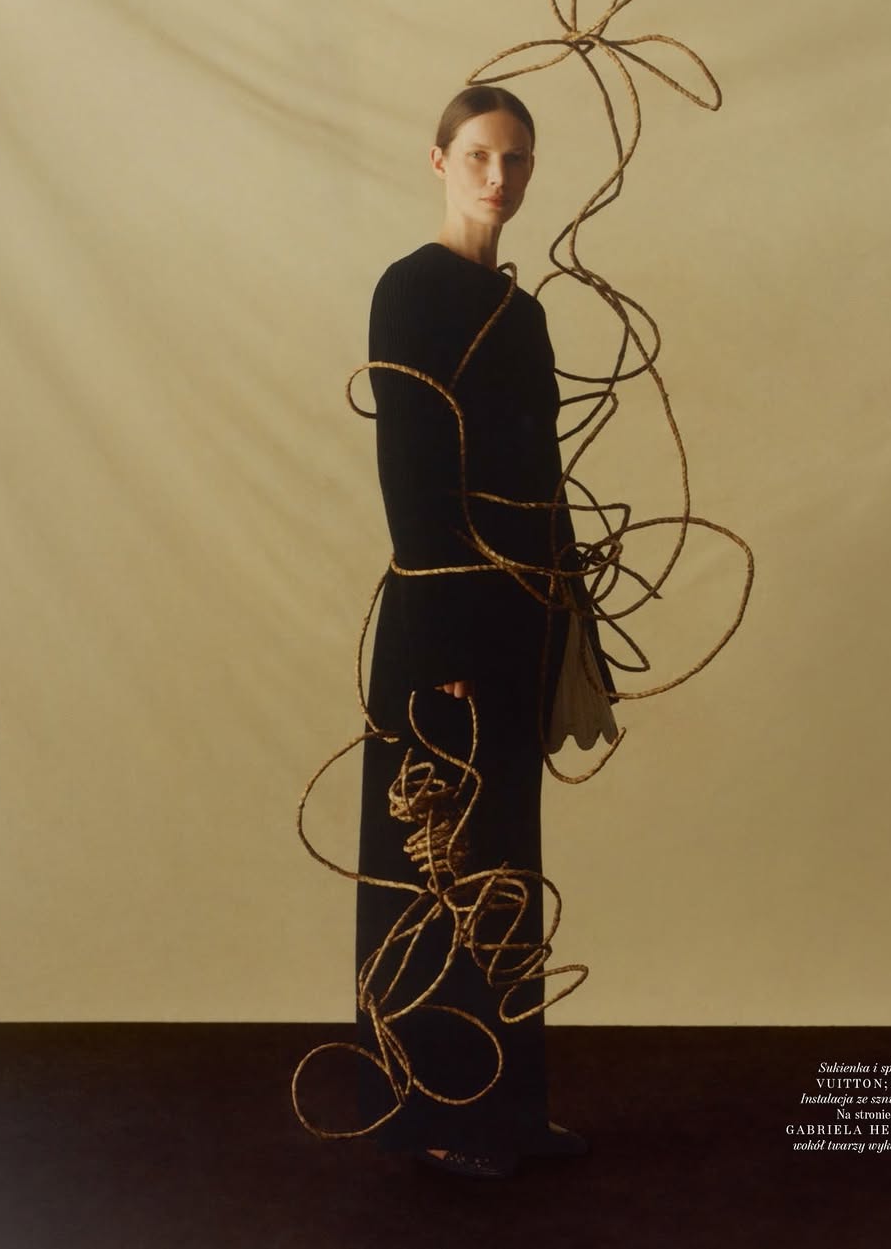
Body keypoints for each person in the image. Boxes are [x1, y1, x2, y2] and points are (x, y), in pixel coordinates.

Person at [354, 85, 615, 1180]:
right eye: (478, 155)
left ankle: (509, 1110)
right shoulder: (410, 290)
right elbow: (411, 468)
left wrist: (572, 615)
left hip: (518, 612)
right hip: (442, 620)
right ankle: (435, 1111)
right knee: (437, 868)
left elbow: (538, 474)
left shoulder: (525, 312)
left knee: (507, 859)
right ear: (439, 160)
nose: (498, 177)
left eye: (517, 159)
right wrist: (446, 638)